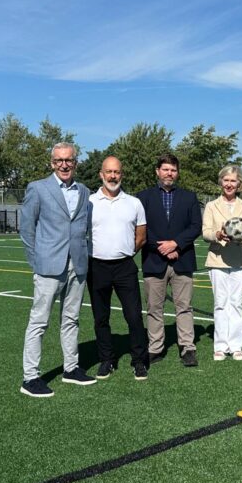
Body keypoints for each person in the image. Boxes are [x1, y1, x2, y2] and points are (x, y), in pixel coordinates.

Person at [19, 143, 95, 397]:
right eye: (59, 160)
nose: (64, 164)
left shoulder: (84, 191)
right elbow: (27, 229)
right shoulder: (38, 188)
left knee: (71, 319)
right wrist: (36, 261)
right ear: (52, 163)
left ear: (75, 162)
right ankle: (30, 377)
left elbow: (87, 229)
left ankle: (71, 368)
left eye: (69, 160)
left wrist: (86, 257)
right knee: (39, 321)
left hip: (78, 265)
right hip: (49, 265)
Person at [137, 154, 203, 368]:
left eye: (173, 170)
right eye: (165, 169)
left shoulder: (189, 197)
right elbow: (140, 229)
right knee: (154, 307)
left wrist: (176, 244)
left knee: (184, 307)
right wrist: (163, 248)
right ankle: (155, 347)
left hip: (182, 260)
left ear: (177, 172)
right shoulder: (143, 197)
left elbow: (195, 226)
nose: (169, 173)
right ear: (157, 171)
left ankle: (187, 347)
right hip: (153, 260)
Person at [88, 156, 150, 380]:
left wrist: (123, 252)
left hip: (125, 266)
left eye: (117, 172)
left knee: (134, 316)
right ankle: (106, 360)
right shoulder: (89, 202)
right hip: (96, 266)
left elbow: (141, 236)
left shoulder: (133, 203)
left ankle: (139, 361)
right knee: (100, 318)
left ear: (122, 174)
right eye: (109, 172)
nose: (113, 176)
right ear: (101, 174)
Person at [202, 165, 242, 361]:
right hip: (218, 260)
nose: (229, 184)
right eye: (226, 180)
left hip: (240, 261)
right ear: (221, 182)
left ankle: (235, 346)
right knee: (220, 304)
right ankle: (220, 346)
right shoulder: (211, 206)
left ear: (239, 183)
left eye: (233, 181)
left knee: (236, 303)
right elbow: (205, 232)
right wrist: (217, 235)